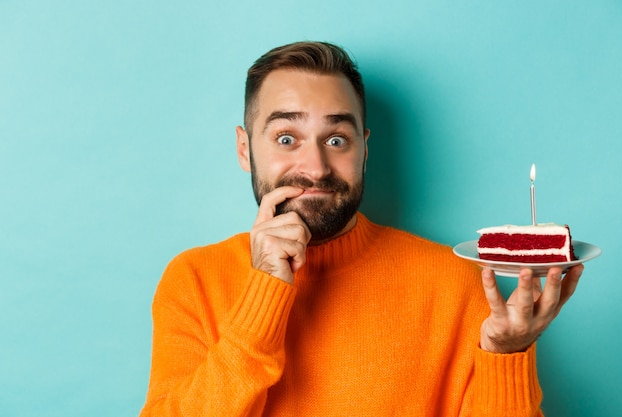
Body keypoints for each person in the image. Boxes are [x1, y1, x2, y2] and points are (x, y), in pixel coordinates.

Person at [138, 41, 583, 417]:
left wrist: (505, 356)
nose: (314, 167)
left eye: (336, 140)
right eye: (286, 138)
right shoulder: (194, 280)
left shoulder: (456, 283)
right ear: (243, 149)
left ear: (364, 150)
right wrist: (263, 298)